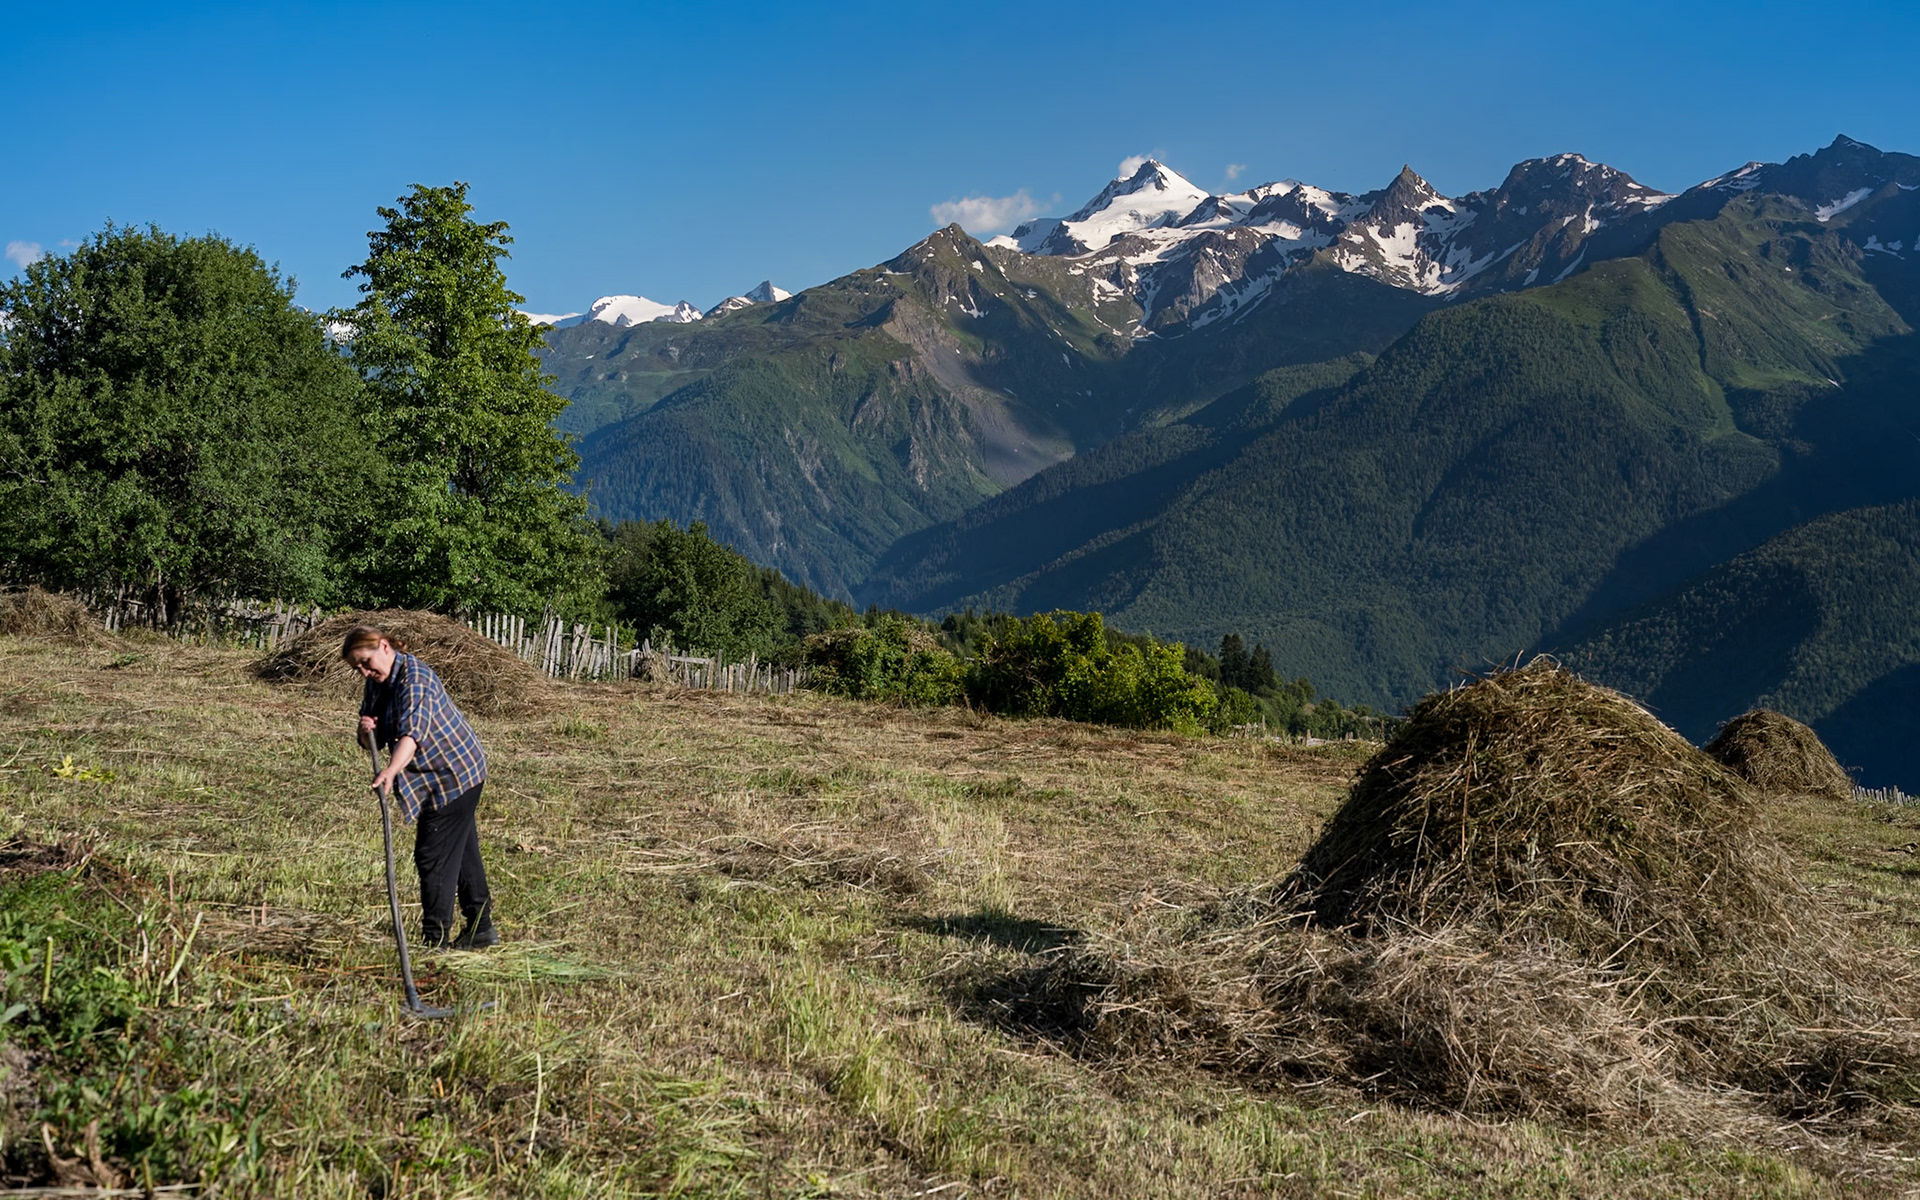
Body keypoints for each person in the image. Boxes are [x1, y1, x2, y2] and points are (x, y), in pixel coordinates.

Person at [343, 624, 499, 951]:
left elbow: (411, 736)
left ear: (384, 647)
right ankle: (481, 928)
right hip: (433, 775)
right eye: (356, 666)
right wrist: (365, 731)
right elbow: (371, 736)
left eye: (366, 661)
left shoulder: (416, 680)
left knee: (433, 857)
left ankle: (435, 942)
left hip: (455, 773)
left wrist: (390, 770)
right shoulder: (377, 681)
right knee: (461, 850)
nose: (363, 670)